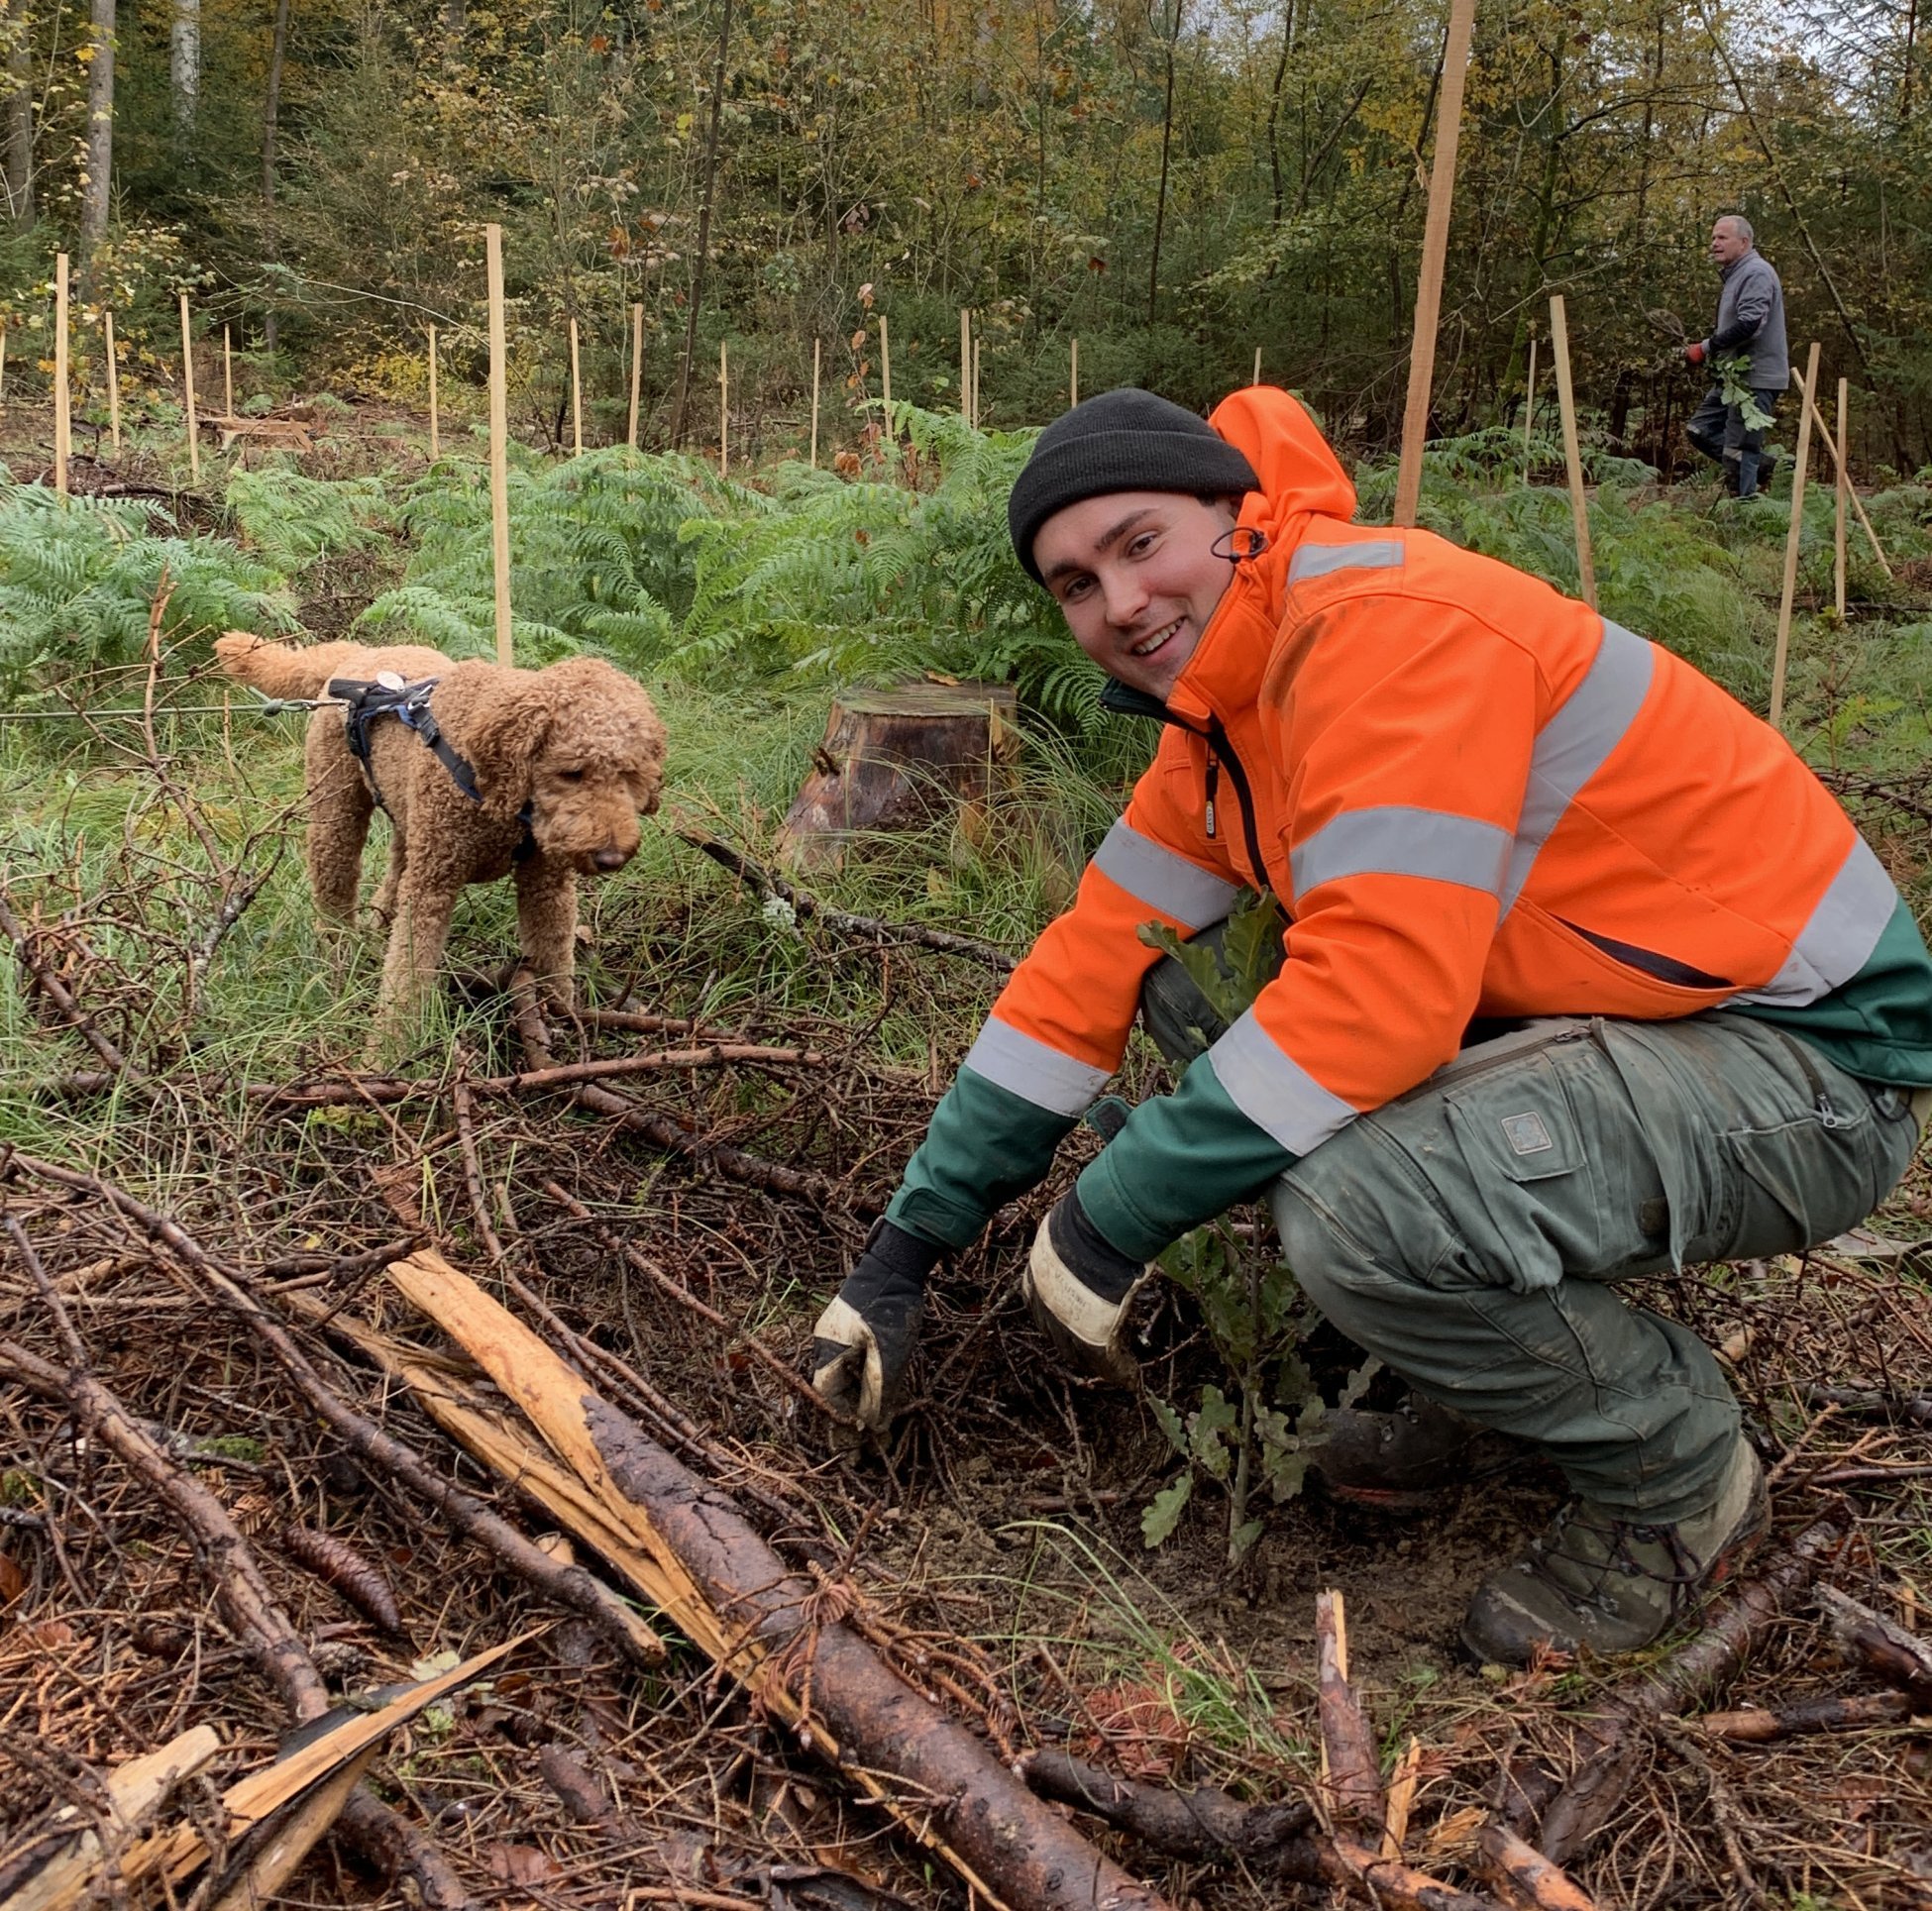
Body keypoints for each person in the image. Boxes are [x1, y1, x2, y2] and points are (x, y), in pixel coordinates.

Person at [807, 385, 1932, 1664]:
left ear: (1234, 519)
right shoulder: (1225, 728)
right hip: (1655, 1035)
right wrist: (901, 1256)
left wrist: (1109, 1213)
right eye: (1073, 583)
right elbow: (1085, 967)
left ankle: (1676, 1474)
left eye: (1139, 543)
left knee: (1354, 1200)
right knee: (1206, 1016)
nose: (1118, 603)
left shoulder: (1382, 629)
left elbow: (1384, 992)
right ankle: (1493, 1383)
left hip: (1814, 1067)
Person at [1682, 214, 1789, 498]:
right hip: (1734, 378)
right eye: (1713, 237)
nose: (1714, 243)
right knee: (1700, 429)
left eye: (1722, 238)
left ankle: (1744, 519)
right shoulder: (1737, 274)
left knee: (1739, 451)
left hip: (1755, 377)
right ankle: (1764, 468)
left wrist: (1704, 348)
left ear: (1743, 242)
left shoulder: (1756, 272)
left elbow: (1750, 325)